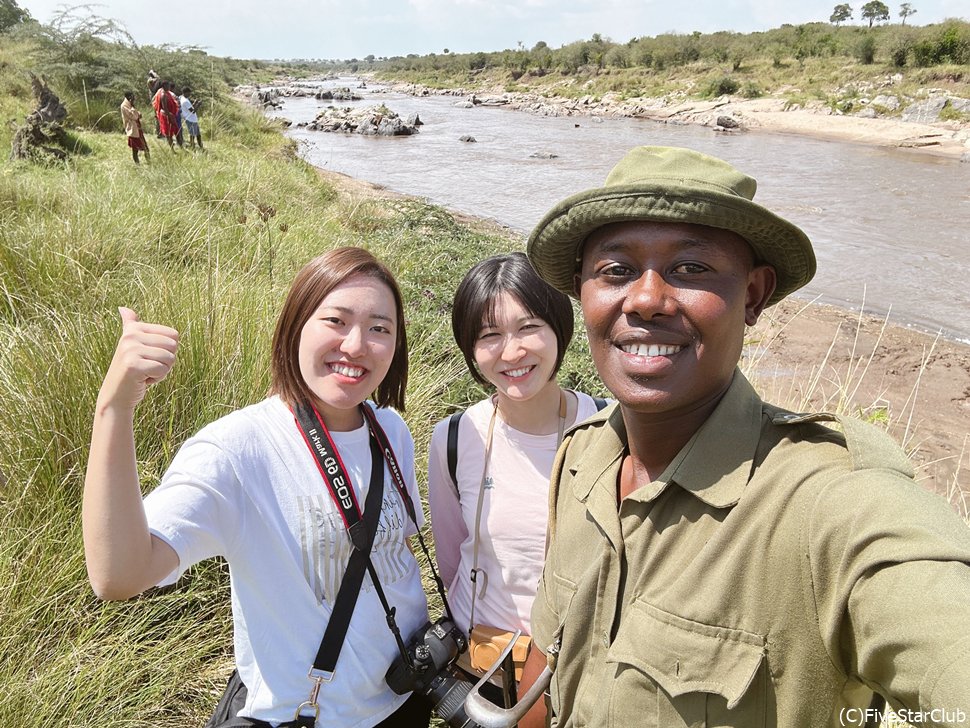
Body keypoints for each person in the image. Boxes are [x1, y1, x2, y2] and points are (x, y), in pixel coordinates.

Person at [517, 146, 970, 728]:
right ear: (583, 293)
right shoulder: (581, 458)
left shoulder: (832, 504)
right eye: (616, 271)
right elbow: (551, 656)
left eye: (691, 269)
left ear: (753, 295)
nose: (647, 299)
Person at [83, 247, 432, 727]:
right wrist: (114, 409)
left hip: (402, 700)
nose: (356, 345)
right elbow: (118, 575)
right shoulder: (238, 449)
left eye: (379, 328)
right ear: (295, 327)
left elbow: (394, 557)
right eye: (336, 320)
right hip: (306, 715)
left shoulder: (390, 430)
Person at [427, 252, 606, 701]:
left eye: (529, 328)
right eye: (490, 336)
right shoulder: (455, 437)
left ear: (559, 329)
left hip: (583, 670)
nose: (512, 352)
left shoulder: (609, 427)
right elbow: (451, 558)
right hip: (487, 669)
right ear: (470, 348)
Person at [120, 91, 150, 165]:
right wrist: (137, 113)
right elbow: (134, 116)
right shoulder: (124, 106)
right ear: (129, 97)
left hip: (137, 128)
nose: (134, 98)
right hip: (133, 130)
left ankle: (149, 163)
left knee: (146, 148)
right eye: (133, 97)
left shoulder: (129, 104)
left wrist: (138, 113)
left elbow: (136, 114)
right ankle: (137, 165)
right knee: (135, 150)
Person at [151, 80, 181, 149]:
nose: (169, 87)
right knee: (169, 133)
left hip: (171, 114)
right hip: (166, 115)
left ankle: (180, 145)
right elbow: (164, 108)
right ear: (164, 86)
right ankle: (172, 149)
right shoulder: (163, 95)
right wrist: (170, 116)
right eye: (168, 86)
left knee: (176, 130)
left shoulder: (167, 93)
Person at [179, 86, 204, 150]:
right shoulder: (185, 101)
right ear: (185, 93)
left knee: (197, 134)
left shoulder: (181, 98)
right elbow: (193, 111)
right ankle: (193, 147)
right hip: (191, 119)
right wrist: (198, 104)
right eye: (189, 93)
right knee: (193, 134)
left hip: (191, 119)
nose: (189, 94)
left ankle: (200, 146)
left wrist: (194, 103)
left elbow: (190, 108)